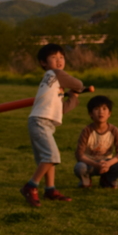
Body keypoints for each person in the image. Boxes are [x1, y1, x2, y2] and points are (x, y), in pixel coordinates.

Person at [20, 43, 91, 207]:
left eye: (61, 57)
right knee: (52, 156)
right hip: (40, 122)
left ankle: (50, 190)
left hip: (44, 123)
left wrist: (73, 97)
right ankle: (30, 186)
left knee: (47, 160)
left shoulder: (54, 84)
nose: (59, 61)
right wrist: (78, 89)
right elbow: (78, 83)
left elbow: (62, 110)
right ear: (43, 63)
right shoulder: (54, 74)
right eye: (54, 57)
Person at [74, 95, 118, 189]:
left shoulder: (114, 130)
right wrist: (96, 164)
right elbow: (79, 155)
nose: (101, 112)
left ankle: (108, 179)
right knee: (79, 167)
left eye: (104, 108)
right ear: (90, 113)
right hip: (90, 164)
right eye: (96, 109)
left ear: (109, 113)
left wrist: (108, 164)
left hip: (107, 164)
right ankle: (86, 180)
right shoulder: (87, 131)